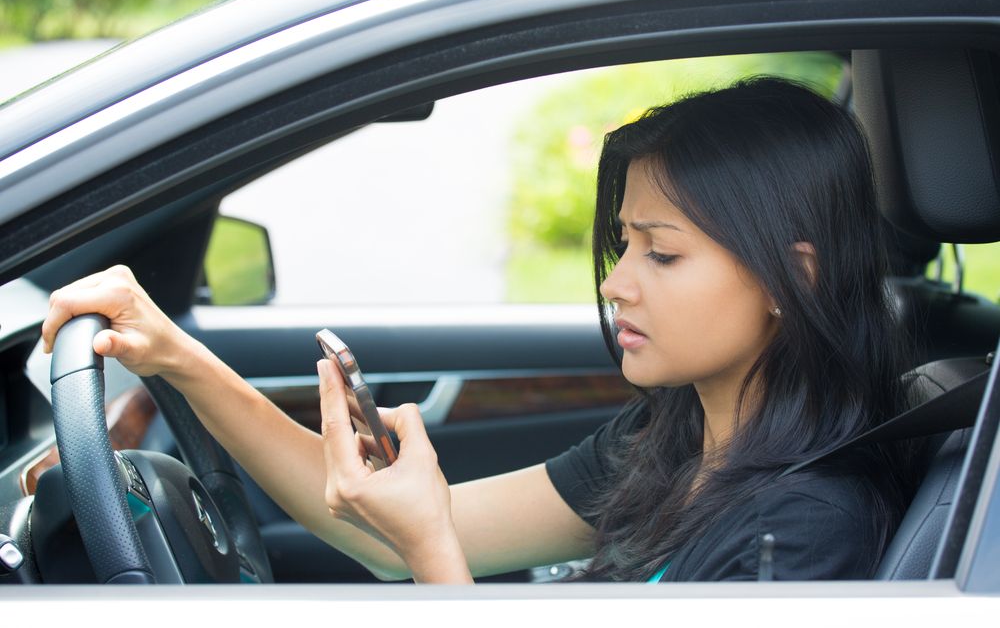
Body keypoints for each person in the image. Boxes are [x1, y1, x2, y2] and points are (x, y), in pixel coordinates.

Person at [41, 77, 914, 584]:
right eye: (622, 246)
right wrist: (180, 359)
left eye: (662, 254)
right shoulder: (677, 434)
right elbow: (387, 538)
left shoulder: (804, 531)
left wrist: (428, 543)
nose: (616, 282)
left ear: (791, 277)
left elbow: (422, 541)